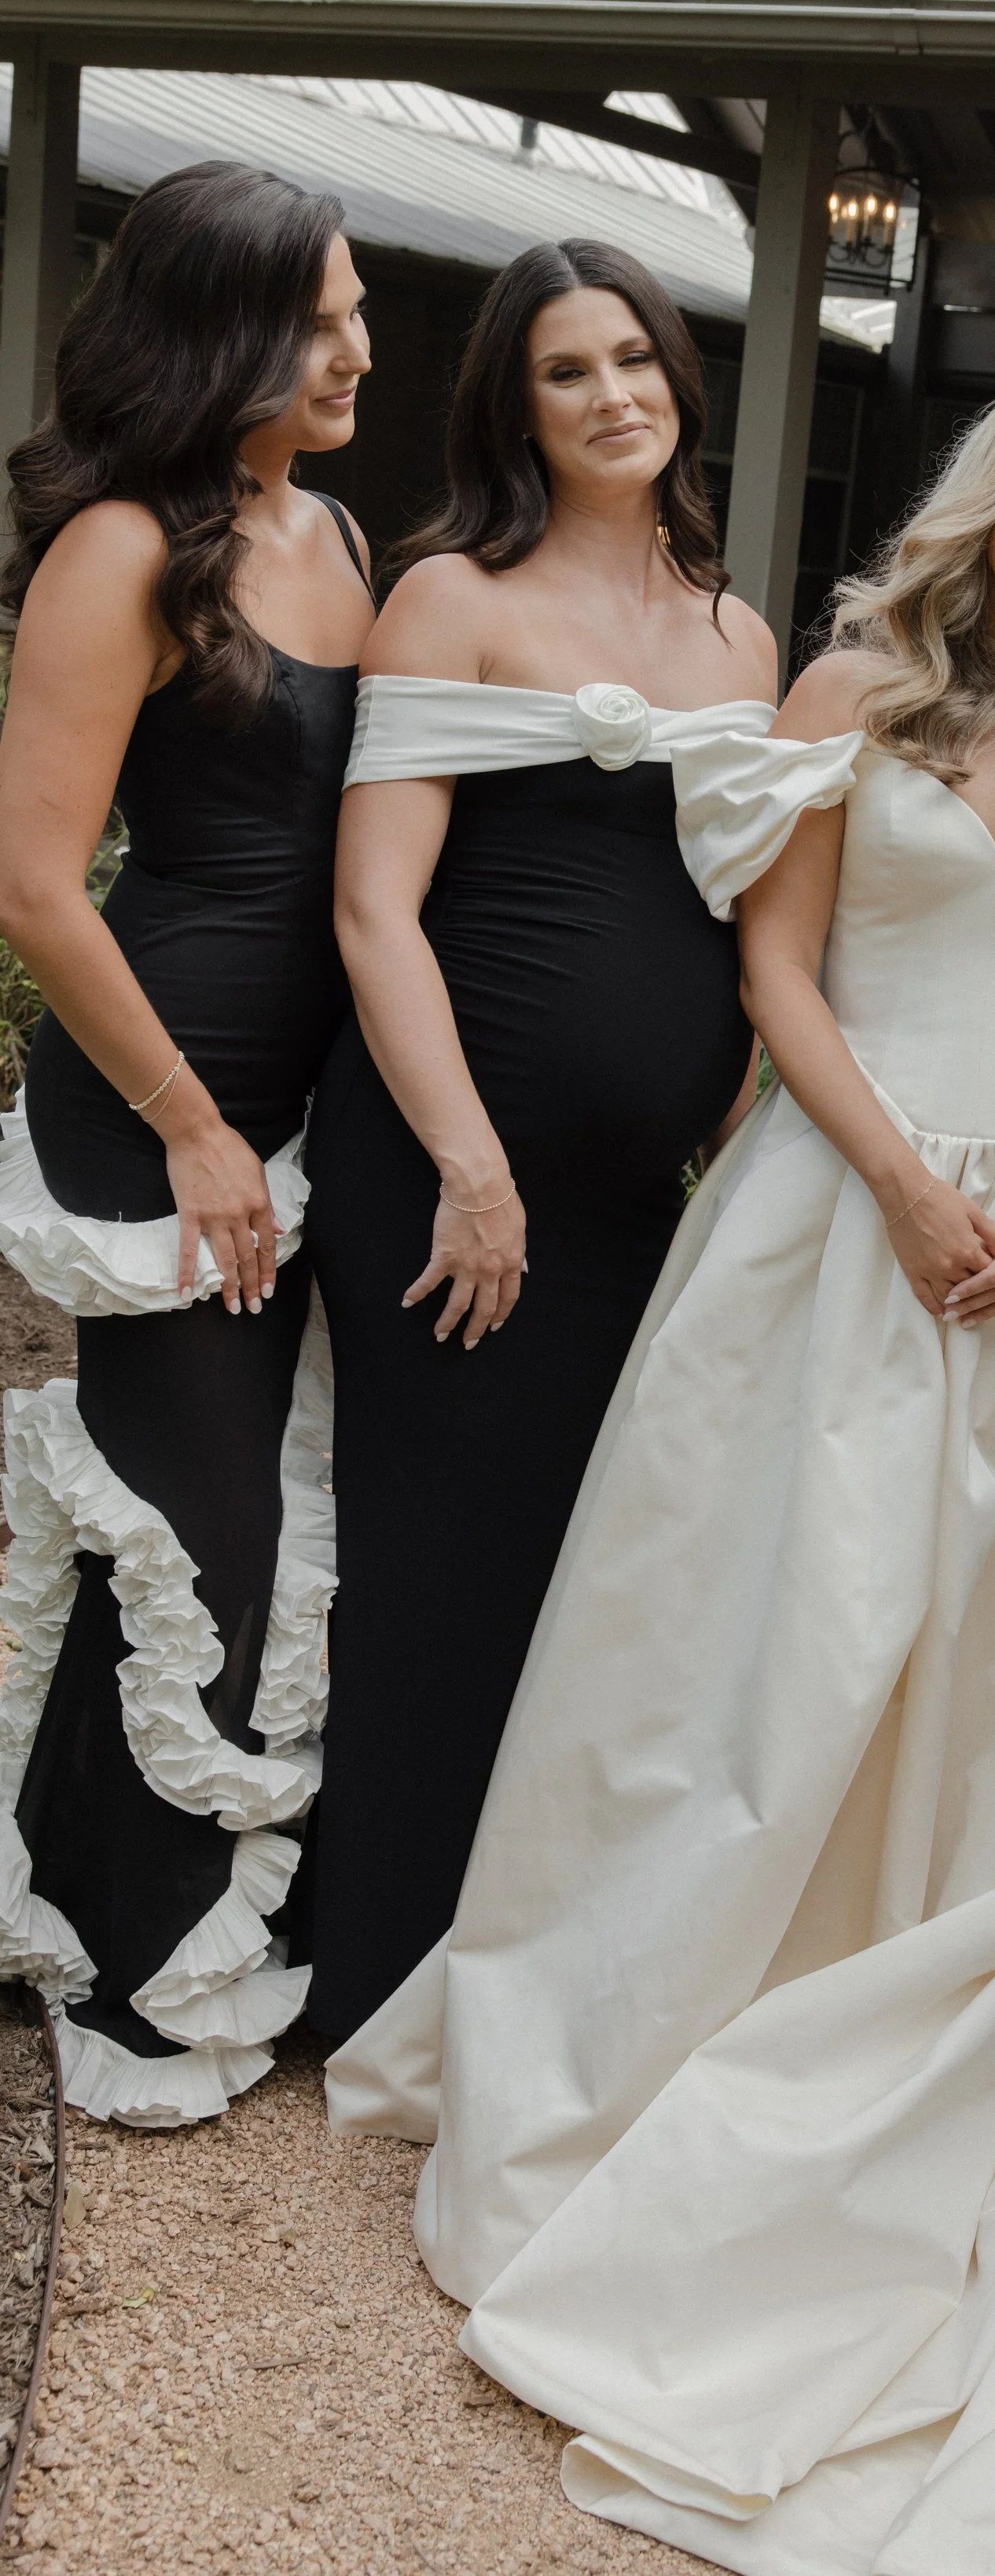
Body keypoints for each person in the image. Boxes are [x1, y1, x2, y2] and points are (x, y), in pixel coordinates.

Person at [327, 371, 995, 2576]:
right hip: (833, 1220)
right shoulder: (853, 679)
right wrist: (895, 1182)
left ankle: (925, 2026)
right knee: (763, 1631)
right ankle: (670, 2033)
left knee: (991, 1655)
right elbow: (777, 962)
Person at [300, 239, 777, 2041]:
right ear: (514, 399)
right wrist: (471, 1165)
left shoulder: (740, 632)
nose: (612, 397)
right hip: (448, 1176)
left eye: (636, 360)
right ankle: (379, 1989)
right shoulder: (449, 598)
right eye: (567, 370)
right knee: (446, 1568)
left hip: (631, 1203)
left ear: (679, 380)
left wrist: (731, 1113)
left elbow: (758, 921)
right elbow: (372, 915)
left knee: (597, 1582)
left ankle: (525, 1983)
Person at [0, 161, 373, 2125]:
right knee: (198, 1532)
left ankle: (93, 1894)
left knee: (270, 1515)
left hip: (312, 1095)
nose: (357, 350)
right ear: (219, 326)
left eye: (355, 311)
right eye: (316, 319)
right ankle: (132, 1966)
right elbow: (39, 888)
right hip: (165, 1098)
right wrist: (198, 1130)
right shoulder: (124, 549)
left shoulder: (339, 529)